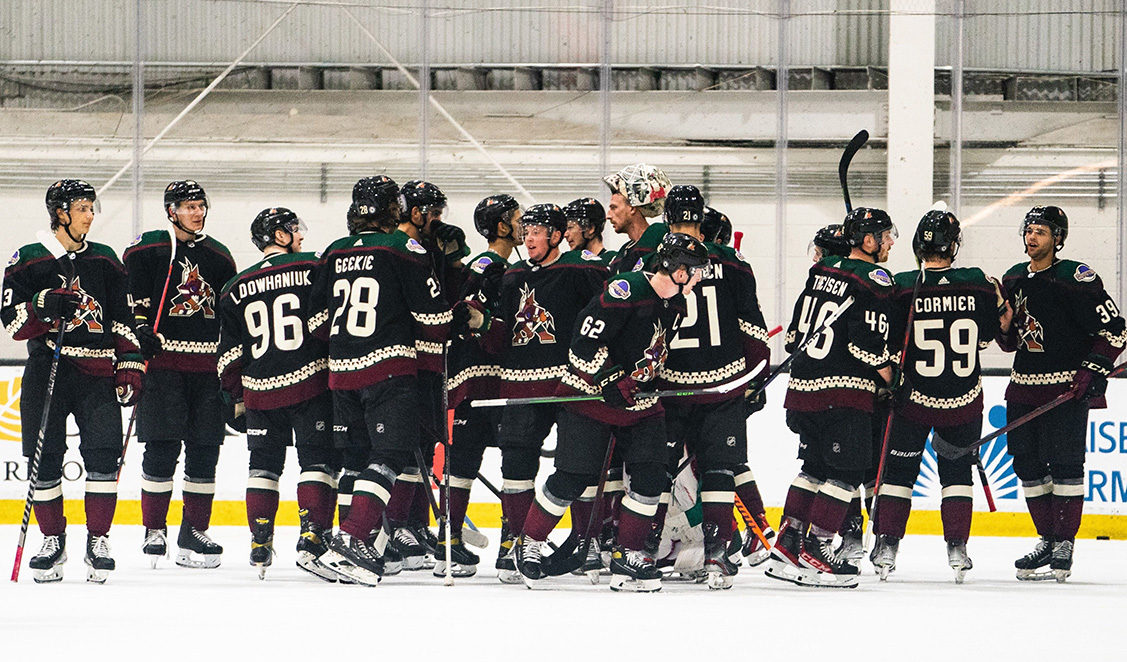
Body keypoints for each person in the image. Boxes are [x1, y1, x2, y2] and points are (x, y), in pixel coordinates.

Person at [514, 232, 705, 593]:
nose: (699, 278)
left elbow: (653, 352)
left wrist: (644, 381)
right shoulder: (625, 290)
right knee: (572, 477)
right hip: (588, 395)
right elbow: (583, 341)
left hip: (639, 402)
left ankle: (628, 556)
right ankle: (530, 542)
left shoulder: (678, 305)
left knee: (651, 477)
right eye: (695, 271)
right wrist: (609, 379)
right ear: (678, 270)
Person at [308, 175, 452, 586]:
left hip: (341, 373)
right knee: (389, 455)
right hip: (388, 368)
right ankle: (353, 539)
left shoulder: (332, 251)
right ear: (394, 209)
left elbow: (317, 323)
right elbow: (435, 320)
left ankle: (349, 542)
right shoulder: (403, 248)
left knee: (357, 459)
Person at [2, 180, 143, 583]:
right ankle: (52, 540)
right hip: (48, 367)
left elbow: (122, 318)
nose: (90, 215)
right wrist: (42, 305)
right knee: (43, 459)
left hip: (97, 373)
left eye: (91, 208)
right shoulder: (28, 258)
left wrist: (130, 364)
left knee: (102, 456)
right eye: (82, 208)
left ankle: (98, 540)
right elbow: (12, 321)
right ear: (60, 213)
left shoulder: (105, 260)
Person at [869, 209, 1009, 583]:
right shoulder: (978, 282)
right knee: (957, 473)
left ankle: (887, 545)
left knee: (898, 473)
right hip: (964, 398)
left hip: (912, 399)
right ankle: (958, 548)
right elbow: (987, 336)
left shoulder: (900, 285)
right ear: (954, 246)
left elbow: (885, 339)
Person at [474, 203, 608, 583]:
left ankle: (587, 543)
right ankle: (518, 541)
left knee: (579, 465)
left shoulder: (582, 270)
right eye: (526, 231)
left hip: (570, 385)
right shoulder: (513, 275)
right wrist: (480, 322)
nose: (528, 238)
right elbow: (502, 336)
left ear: (555, 235)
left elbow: (606, 321)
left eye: (536, 231)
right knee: (515, 468)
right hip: (520, 382)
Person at [766, 207, 897, 588]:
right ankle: (817, 549)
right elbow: (867, 345)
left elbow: (793, 337)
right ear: (868, 241)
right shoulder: (875, 278)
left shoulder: (820, 272)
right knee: (845, 473)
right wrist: (892, 376)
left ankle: (788, 542)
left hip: (803, 388)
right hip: (843, 393)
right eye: (885, 236)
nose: (890, 242)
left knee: (814, 469)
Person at [998, 205, 1125, 582]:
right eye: (1029, 230)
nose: (1032, 237)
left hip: (1064, 388)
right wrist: (1002, 325)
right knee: (1028, 466)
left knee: (1067, 466)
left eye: (1041, 231)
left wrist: (1092, 369)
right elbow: (1009, 342)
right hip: (1023, 386)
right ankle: (1047, 539)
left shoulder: (1076, 277)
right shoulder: (1014, 278)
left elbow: (1115, 331)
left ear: (1058, 238)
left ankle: (1064, 544)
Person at [656, 185, 771, 589]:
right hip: (723, 385)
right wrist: (755, 379)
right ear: (701, 216)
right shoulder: (733, 261)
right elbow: (753, 328)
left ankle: (648, 548)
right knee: (720, 469)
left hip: (669, 386)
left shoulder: (654, 259)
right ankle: (718, 553)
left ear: (667, 216)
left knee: (659, 469)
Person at [216, 207, 340, 581]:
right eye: (292, 230)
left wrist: (236, 395)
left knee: (262, 468)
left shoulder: (235, 286)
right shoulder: (313, 267)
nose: (299, 236)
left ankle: (259, 541)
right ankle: (312, 537)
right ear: (280, 236)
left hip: (259, 392)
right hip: (309, 385)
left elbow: (227, 356)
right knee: (317, 462)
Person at [123, 180, 236, 569]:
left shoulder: (220, 256)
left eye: (201, 205)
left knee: (205, 452)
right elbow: (130, 297)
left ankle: (194, 532)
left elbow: (229, 314)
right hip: (164, 367)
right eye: (189, 206)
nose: (197, 212)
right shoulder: (149, 248)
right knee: (162, 447)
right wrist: (140, 333)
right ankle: (154, 529)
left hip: (207, 370)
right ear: (171, 211)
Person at [439, 193, 524, 578]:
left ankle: (450, 541)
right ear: (502, 226)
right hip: (487, 380)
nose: (524, 225)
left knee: (467, 465)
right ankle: (507, 545)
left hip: (475, 382)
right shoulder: (490, 266)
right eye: (518, 219)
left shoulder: (506, 266)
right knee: (505, 464)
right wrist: (487, 326)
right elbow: (468, 319)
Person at [604, 163, 672, 276]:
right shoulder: (623, 253)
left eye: (614, 208)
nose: (608, 216)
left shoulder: (661, 237)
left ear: (632, 207)